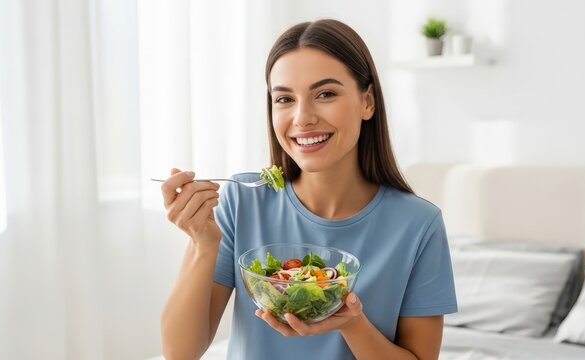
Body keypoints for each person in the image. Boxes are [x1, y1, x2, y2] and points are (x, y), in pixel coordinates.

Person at [159, 19, 457, 360]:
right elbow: (178, 353)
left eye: (325, 94)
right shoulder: (242, 199)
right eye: (284, 99)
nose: (302, 117)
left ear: (367, 102)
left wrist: (351, 323)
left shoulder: (418, 224)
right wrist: (202, 244)